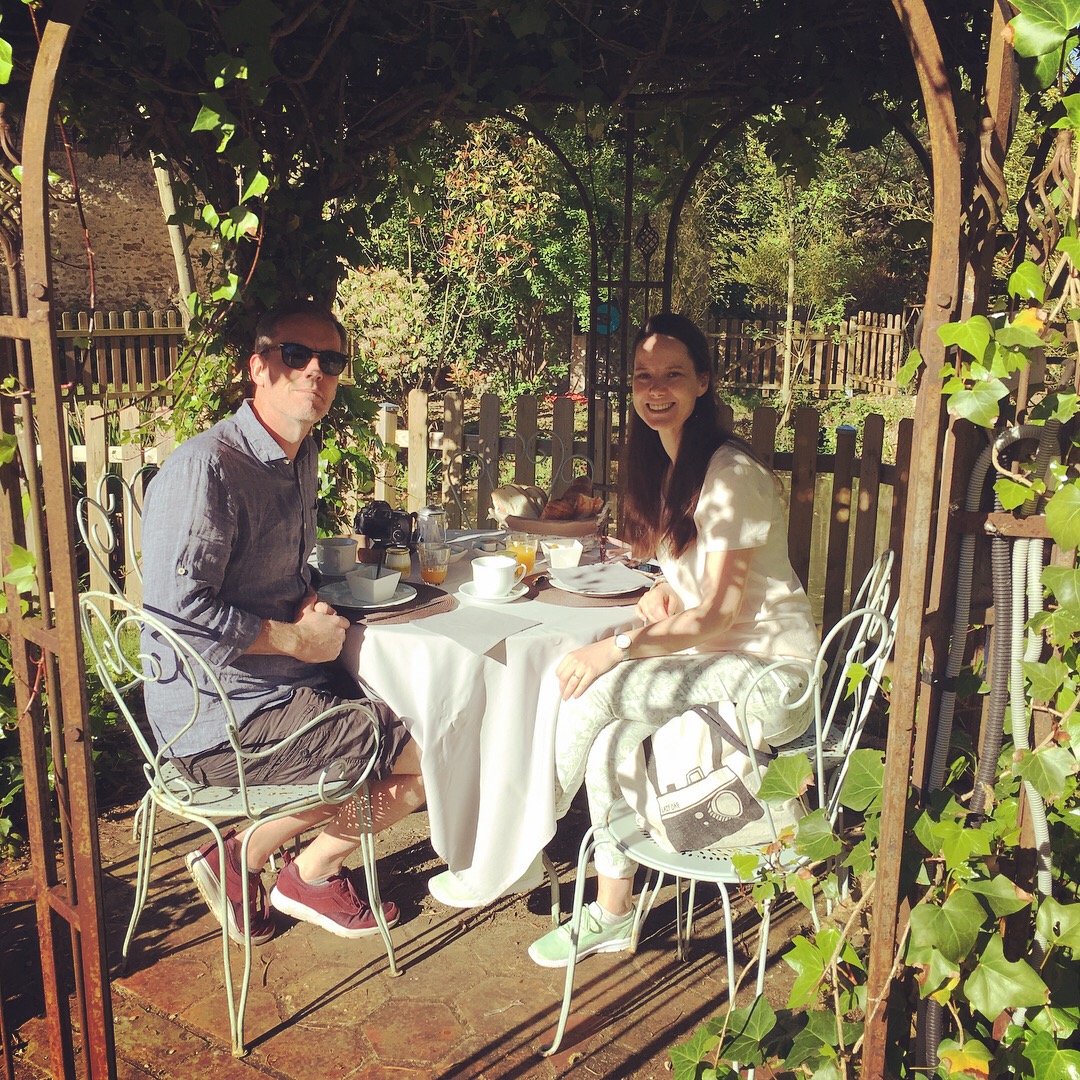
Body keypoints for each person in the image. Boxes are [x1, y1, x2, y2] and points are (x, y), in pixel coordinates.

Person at [528, 312, 819, 968]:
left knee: (596, 690)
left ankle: (526, 830)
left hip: (772, 676)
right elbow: (703, 590)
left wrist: (615, 648)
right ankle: (613, 913)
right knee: (608, 740)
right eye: (643, 377)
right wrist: (667, 590)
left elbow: (717, 617)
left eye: (673, 375)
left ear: (703, 382)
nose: (656, 389)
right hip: (724, 661)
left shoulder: (730, 474)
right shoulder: (672, 465)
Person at [140, 299, 425, 945]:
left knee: (428, 714)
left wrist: (304, 599)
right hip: (219, 720)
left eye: (331, 360)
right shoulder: (208, 467)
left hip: (279, 687)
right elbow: (177, 614)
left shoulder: (298, 453)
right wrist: (296, 639)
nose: (314, 371)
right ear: (258, 367)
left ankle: (244, 856)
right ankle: (306, 873)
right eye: (295, 355)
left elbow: (268, 573)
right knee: (433, 757)